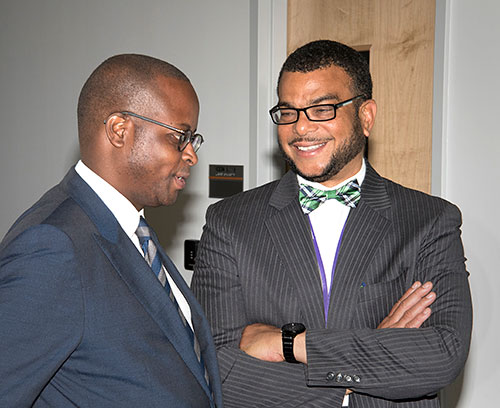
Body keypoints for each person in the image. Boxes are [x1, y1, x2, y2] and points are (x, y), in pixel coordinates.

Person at [191, 40, 472, 407]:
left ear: (366, 117)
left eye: (322, 109)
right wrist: (362, 366)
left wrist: (291, 344)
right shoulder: (229, 221)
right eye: (288, 112)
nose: (301, 128)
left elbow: (441, 354)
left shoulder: (430, 220)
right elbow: (216, 366)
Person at [0, 54, 223, 407]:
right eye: (180, 137)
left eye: (194, 140)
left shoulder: (133, 230)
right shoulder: (52, 247)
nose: (191, 155)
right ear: (120, 130)